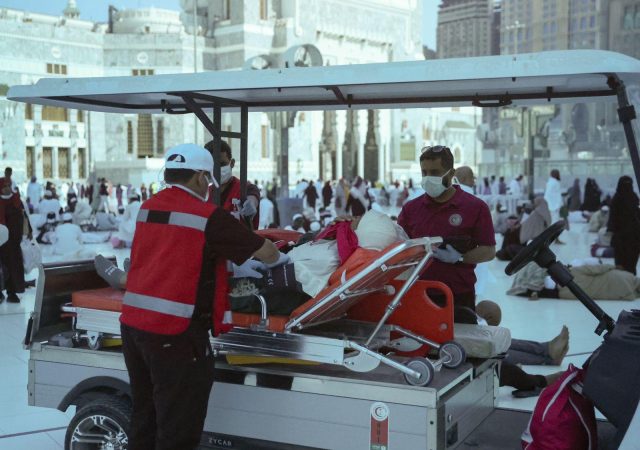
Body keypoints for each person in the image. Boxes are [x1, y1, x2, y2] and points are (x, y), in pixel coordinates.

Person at [117, 143, 285, 450]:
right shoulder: (208, 216)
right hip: (176, 334)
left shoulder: (148, 207)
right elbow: (268, 252)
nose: (209, 186)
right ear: (198, 177)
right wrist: (274, 258)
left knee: (145, 417)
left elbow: (172, 253)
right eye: (207, 179)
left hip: (133, 326)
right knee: (178, 428)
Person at [398, 145, 496, 322]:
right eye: (424, 172)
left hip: (458, 295)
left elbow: (488, 251)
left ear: (451, 174)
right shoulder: (411, 209)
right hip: (418, 292)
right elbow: (398, 246)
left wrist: (460, 258)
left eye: (435, 172)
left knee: (459, 338)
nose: (428, 178)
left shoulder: (475, 207)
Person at [204, 139, 260, 229]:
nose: (217, 169)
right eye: (212, 166)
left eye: (222, 164)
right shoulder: (206, 194)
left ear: (232, 163)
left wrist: (251, 204)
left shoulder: (245, 188)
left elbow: (252, 197)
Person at [0, 178, 27, 303]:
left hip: (13, 242)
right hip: (1, 242)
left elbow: (24, 216)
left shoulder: (16, 200)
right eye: (4, 186)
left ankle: (12, 292)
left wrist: (27, 232)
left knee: (13, 267)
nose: (7, 188)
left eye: (8, 186)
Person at [608, 175, 640, 275]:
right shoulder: (634, 198)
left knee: (622, 265)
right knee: (631, 265)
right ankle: (631, 282)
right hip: (634, 238)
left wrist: (611, 230)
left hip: (622, 238)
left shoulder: (616, 199)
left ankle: (624, 282)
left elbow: (612, 218)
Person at [544, 169, 564, 244]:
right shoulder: (554, 183)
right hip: (554, 207)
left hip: (551, 206)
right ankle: (555, 239)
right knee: (555, 224)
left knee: (553, 223)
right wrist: (559, 204)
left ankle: (554, 239)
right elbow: (555, 195)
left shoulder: (550, 182)